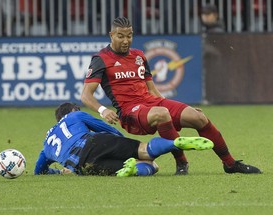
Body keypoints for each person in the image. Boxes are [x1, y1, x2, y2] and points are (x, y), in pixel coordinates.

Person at [81, 17, 262, 175]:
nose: (126, 40)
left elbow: (152, 90)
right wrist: (103, 110)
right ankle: (181, 161)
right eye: (120, 36)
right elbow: (86, 95)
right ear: (111, 35)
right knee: (162, 114)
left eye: (129, 35)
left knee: (198, 117)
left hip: (151, 102)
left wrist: (179, 108)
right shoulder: (101, 59)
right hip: (130, 111)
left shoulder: (139, 56)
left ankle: (230, 164)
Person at [34, 102, 213, 176]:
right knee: (145, 153)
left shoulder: (46, 142)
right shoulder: (75, 116)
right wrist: (125, 144)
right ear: (73, 111)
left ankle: (133, 169)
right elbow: (107, 129)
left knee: (144, 168)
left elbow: (39, 170)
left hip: (83, 167)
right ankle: (174, 143)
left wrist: (59, 172)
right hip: (93, 143)